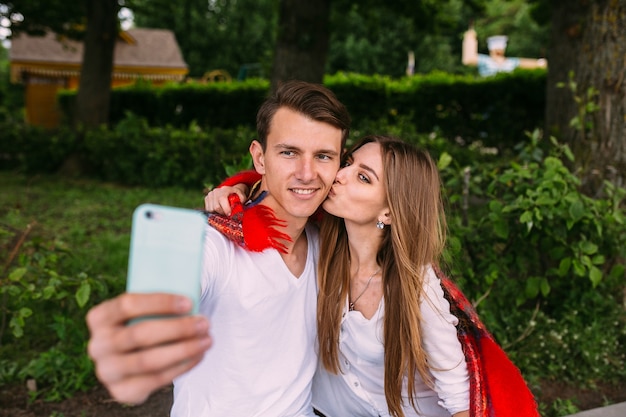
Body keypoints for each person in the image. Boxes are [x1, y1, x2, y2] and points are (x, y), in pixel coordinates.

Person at [207, 136, 540, 417]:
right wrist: (233, 188)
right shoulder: (316, 246)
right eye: (348, 162)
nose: (341, 175)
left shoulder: (413, 285)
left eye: (363, 177)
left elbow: (458, 395)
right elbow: (276, 189)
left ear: (389, 212)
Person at [85, 80, 351, 416]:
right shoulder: (214, 242)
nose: (307, 173)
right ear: (260, 157)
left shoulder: (328, 239)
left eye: (323, 156)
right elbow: (164, 303)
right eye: (289, 152)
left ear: (339, 164)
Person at [462, 26, 547, 77]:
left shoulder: (510, 62)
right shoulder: (485, 61)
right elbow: (468, 59)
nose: (499, 50)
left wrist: (542, 63)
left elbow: (530, 64)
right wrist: (470, 39)